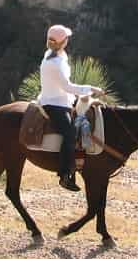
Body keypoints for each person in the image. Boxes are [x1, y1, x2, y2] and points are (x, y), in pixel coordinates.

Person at [37, 24, 103, 192]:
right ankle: (64, 174)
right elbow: (67, 86)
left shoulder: (55, 54)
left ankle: (80, 160)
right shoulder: (55, 62)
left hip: (64, 99)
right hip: (54, 103)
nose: (67, 40)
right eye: (66, 38)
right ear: (61, 42)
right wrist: (91, 89)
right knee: (70, 133)